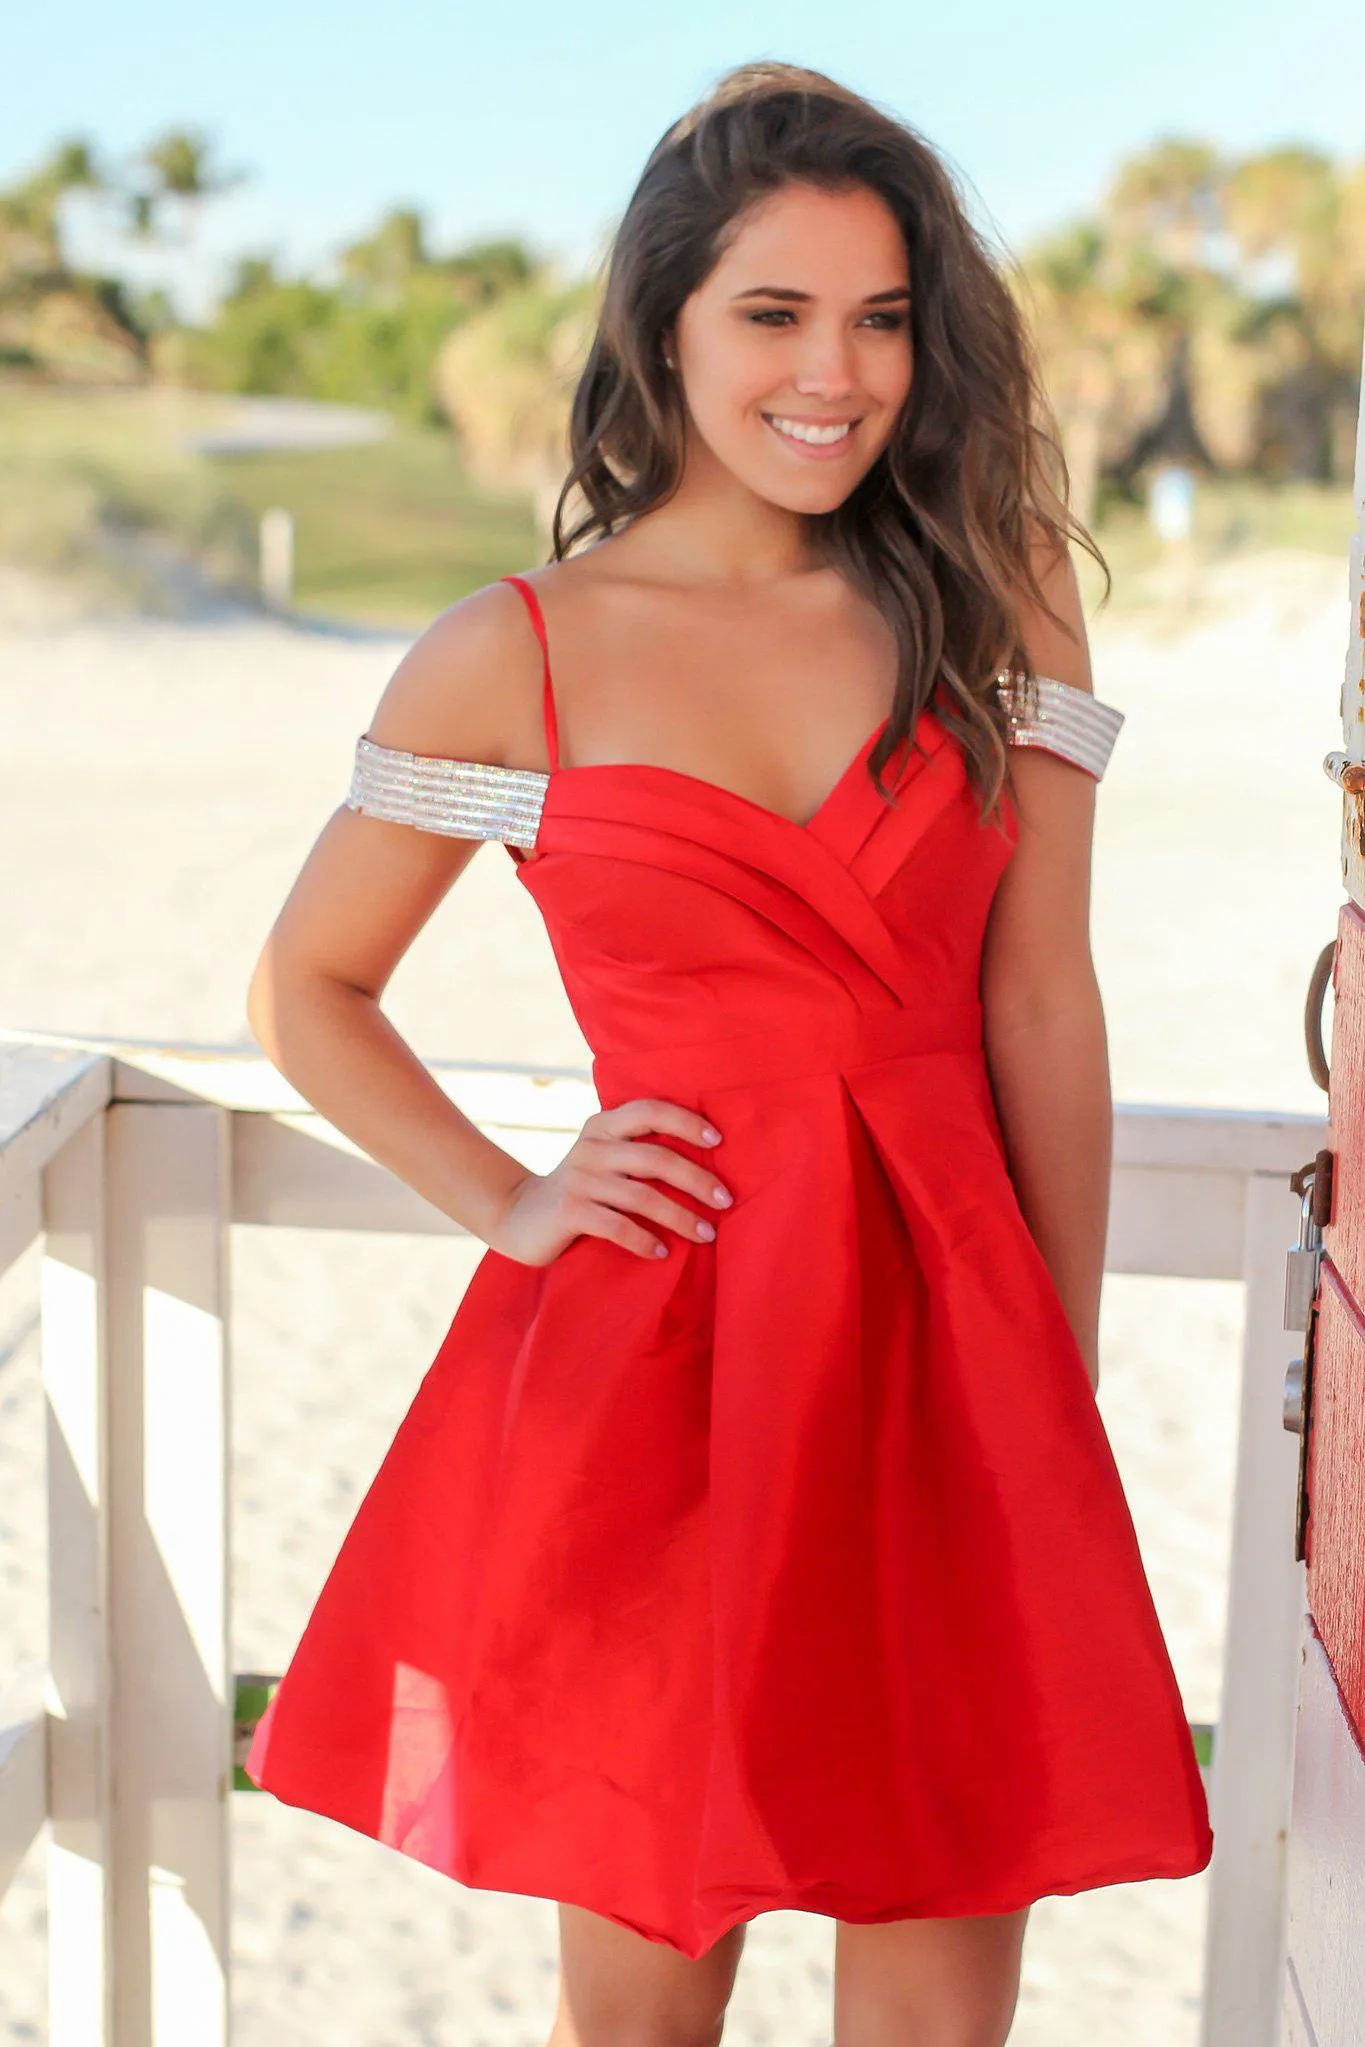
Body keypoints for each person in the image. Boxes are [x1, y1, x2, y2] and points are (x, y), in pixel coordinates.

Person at [244, 60, 1211, 2047]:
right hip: (658, 1367)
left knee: (941, 2001)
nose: (833, 375)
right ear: (664, 321)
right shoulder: (515, 647)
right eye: (772, 313)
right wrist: (512, 1201)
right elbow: (309, 990)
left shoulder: (995, 595)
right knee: (645, 2007)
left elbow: (1039, 996)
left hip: (953, 1356)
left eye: (879, 318)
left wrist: (1054, 1350)